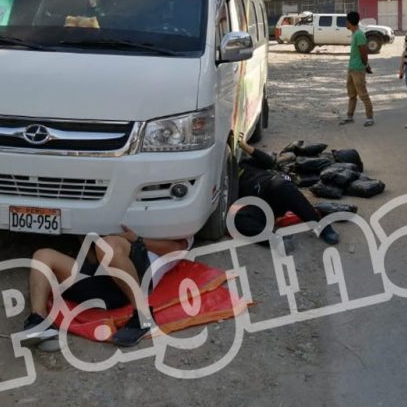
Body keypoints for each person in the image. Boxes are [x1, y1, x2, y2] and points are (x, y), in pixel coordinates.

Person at [22, 226, 192, 347]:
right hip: (101, 278)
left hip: (134, 278)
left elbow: (179, 248)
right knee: (42, 255)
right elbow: (93, 259)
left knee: (108, 245)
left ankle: (143, 317)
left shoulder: (175, 219)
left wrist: (136, 239)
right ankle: (39, 322)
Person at [234, 135, 340, 245]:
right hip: (258, 205)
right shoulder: (226, 182)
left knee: (282, 185)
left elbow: (269, 162)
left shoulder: (244, 164)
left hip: (273, 188)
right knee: (237, 220)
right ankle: (276, 240)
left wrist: (244, 146)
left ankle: (322, 227)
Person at [339, 11, 375, 127]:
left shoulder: (359, 34)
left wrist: (366, 66)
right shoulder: (355, 34)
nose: (346, 23)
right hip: (352, 68)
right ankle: (350, 116)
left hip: (358, 69)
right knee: (352, 94)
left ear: (350, 22)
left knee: (363, 94)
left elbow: (363, 52)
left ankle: (370, 118)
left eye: (347, 21)